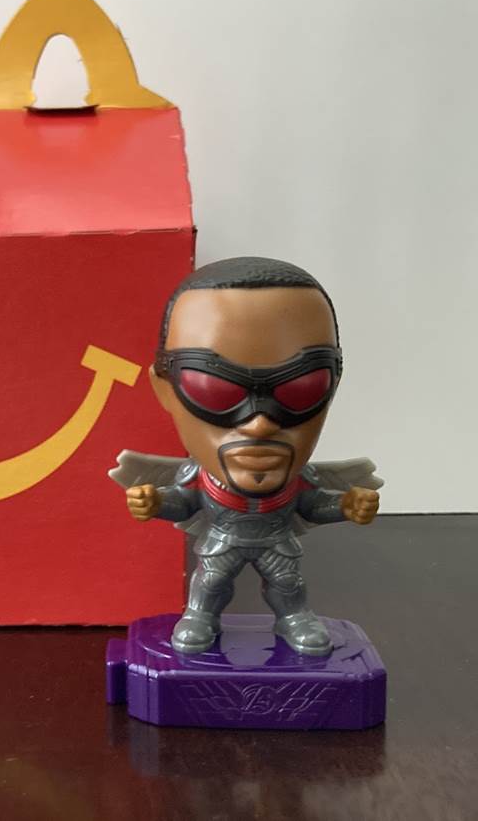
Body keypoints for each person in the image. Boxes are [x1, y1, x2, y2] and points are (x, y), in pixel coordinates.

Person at [124, 257, 380, 655]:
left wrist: (345, 505)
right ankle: (200, 616)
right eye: (213, 389)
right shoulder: (201, 478)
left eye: (301, 388)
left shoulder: (298, 481)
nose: (259, 424)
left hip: (276, 539)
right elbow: (185, 501)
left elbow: (312, 504)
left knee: (288, 585)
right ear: (166, 390)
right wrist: (157, 502)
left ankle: (295, 618)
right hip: (222, 539)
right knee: (210, 584)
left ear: (333, 386)